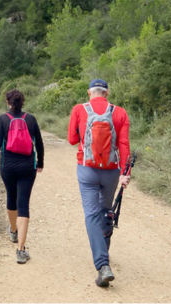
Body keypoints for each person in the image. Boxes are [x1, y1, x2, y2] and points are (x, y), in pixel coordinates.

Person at [68, 79, 130, 287]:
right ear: (107, 92)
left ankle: (102, 265)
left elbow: (71, 139)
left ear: (89, 93)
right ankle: (104, 250)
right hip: (111, 171)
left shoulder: (79, 109)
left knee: (92, 215)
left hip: (87, 169)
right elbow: (123, 144)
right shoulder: (120, 113)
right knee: (105, 212)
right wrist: (125, 173)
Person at [0, 89, 44, 264]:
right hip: (27, 167)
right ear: (22, 102)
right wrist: (40, 163)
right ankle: (21, 250)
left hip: (7, 167)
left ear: (7, 102)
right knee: (23, 204)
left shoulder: (3, 119)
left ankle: (13, 231)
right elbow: (39, 143)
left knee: (11, 198)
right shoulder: (31, 119)